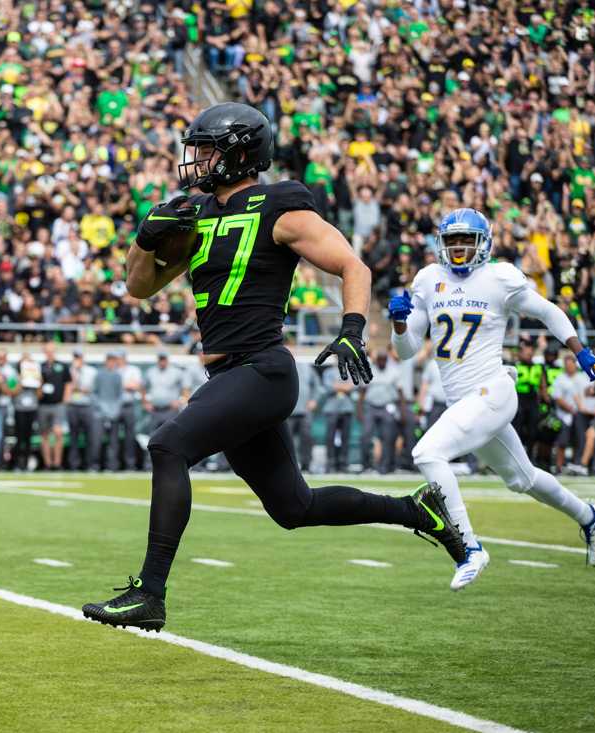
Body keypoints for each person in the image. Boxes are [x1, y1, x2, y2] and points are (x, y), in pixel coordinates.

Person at [83, 103, 465, 632]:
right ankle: (416, 511)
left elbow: (352, 264)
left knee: (168, 444)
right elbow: (139, 284)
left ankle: (150, 593)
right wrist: (145, 238)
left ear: (239, 155)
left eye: (208, 149)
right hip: (230, 377)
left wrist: (353, 328)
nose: (196, 160)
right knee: (294, 507)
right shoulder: (196, 214)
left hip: (262, 372)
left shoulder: (279, 205)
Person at [389, 208, 595, 591]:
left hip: (492, 390)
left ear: (483, 243)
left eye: (466, 240)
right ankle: (590, 516)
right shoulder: (428, 279)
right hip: (464, 402)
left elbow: (547, 311)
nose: (458, 248)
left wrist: (579, 349)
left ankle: (469, 548)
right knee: (522, 479)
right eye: (452, 240)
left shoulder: (499, 277)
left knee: (427, 453)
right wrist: (398, 325)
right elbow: (406, 351)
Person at [359, 350, 405, 474]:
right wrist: (359, 410)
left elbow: (400, 393)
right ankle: (366, 465)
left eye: (384, 360)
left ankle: (385, 466)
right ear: (376, 360)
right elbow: (362, 392)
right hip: (371, 406)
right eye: (379, 360)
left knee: (388, 437)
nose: (381, 363)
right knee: (366, 436)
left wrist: (402, 412)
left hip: (387, 406)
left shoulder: (394, 371)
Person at [36, 343, 70, 470]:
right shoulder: (40, 367)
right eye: (47, 351)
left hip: (57, 404)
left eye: (51, 351)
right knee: (44, 434)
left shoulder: (62, 366)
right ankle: (47, 463)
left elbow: (68, 383)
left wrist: (65, 399)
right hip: (43, 404)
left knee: (58, 433)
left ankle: (57, 463)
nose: (49, 353)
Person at [66, 349, 100, 471]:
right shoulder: (70, 370)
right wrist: (75, 373)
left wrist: (77, 388)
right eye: (75, 357)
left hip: (87, 405)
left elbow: (89, 388)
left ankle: (90, 464)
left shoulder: (91, 371)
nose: (77, 360)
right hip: (73, 405)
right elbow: (71, 386)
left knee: (90, 437)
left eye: (79, 357)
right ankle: (74, 465)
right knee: (73, 437)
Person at [143, 352, 189, 434]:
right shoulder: (151, 371)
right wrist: (145, 402)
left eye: (164, 359)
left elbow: (185, 388)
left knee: (171, 435)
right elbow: (143, 387)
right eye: (160, 359)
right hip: (155, 409)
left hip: (171, 409)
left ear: (167, 359)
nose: (162, 361)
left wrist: (181, 401)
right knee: (153, 436)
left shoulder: (176, 372)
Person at [10, 352, 42, 470]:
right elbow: (12, 392)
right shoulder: (14, 375)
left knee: (29, 438)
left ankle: (27, 463)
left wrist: (38, 381)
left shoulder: (35, 375)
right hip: (19, 409)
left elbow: (39, 395)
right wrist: (21, 381)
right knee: (19, 437)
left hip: (31, 409)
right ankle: (17, 463)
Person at [287, 359, 319, 472]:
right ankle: (286, 466)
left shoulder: (308, 367)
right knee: (286, 440)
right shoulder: (284, 365)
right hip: (288, 411)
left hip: (305, 411)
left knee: (306, 438)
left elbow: (317, 386)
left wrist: (314, 400)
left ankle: (306, 465)